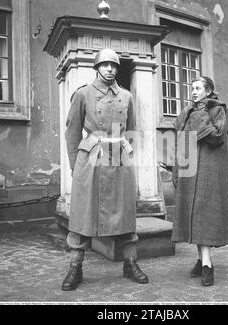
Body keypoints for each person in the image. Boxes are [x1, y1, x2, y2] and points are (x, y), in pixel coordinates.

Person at [61, 48, 148, 291]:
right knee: (83, 216)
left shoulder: (126, 96)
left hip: (119, 161)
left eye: (114, 65)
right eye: (105, 64)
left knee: (125, 214)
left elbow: (132, 131)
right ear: (97, 67)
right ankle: (75, 269)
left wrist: (128, 156)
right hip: (90, 162)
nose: (110, 69)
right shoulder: (83, 94)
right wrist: (75, 166)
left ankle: (130, 263)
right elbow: (72, 132)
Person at [172, 76, 228, 286]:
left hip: (209, 169)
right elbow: (181, 140)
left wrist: (200, 115)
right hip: (189, 168)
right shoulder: (187, 112)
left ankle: (207, 265)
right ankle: (201, 260)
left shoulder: (216, 109)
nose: (193, 92)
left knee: (202, 213)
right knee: (192, 214)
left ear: (208, 91)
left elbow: (217, 135)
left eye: (198, 88)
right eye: (192, 88)